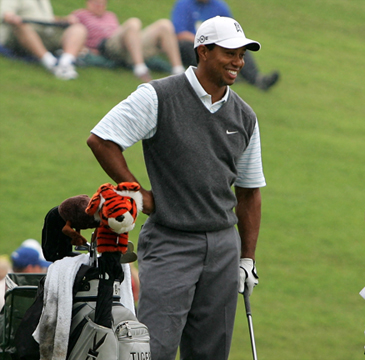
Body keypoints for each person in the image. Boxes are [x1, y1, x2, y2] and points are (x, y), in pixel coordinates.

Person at [86, 15, 265, 360]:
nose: (238, 62)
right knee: (155, 349)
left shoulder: (245, 116)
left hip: (223, 246)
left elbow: (249, 192)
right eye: (230, 53)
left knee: (211, 352)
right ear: (203, 50)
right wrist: (136, 194)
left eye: (242, 54)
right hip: (171, 242)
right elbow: (102, 140)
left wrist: (247, 258)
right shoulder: (159, 96)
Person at [170, 0, 279, 90]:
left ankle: (257, 79)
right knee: (194, 48)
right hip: (190, 44)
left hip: (217, 44)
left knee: (240, 47)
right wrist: (202, 41)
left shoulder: (219, 6)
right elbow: (179, 33)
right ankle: (222, 74)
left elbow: (233, 32)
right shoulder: (184, 4)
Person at [73, 0, 184, 82]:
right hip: (107, 46)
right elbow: (75, 34)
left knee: (164, 25)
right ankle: (140, 68)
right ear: (88, 3)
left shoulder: (110, 15)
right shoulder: (80, 14)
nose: (99, 6)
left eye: (103, 3)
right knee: (133, 23)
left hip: (126, 45)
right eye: (96, 3)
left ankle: (178, 70)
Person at [0, 0, 87, 79]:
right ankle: (51, 63)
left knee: (78, 28)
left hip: (46, 33)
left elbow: (48, 20)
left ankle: (66, 62)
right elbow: (6, 15)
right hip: (21, 35)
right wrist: (13, 18)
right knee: (21, 26)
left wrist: (64, 19)